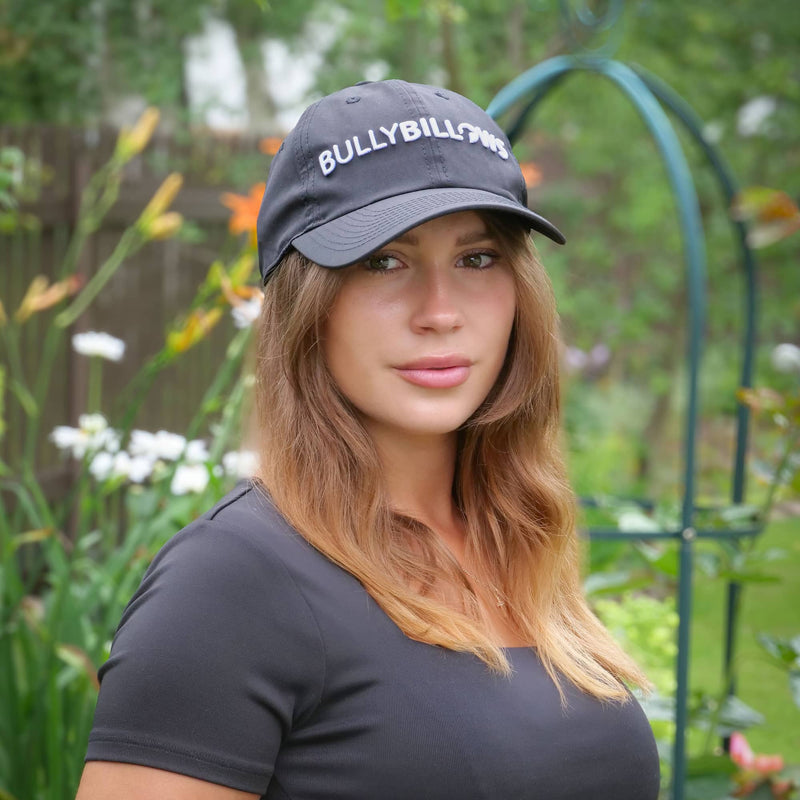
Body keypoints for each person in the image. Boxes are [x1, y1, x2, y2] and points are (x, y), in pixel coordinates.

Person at [76, 79, 661, 800]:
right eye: (383, 261)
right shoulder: (231, 583)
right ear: (305, 304)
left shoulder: (516, 539)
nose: (440, 312)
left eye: (477, 258)